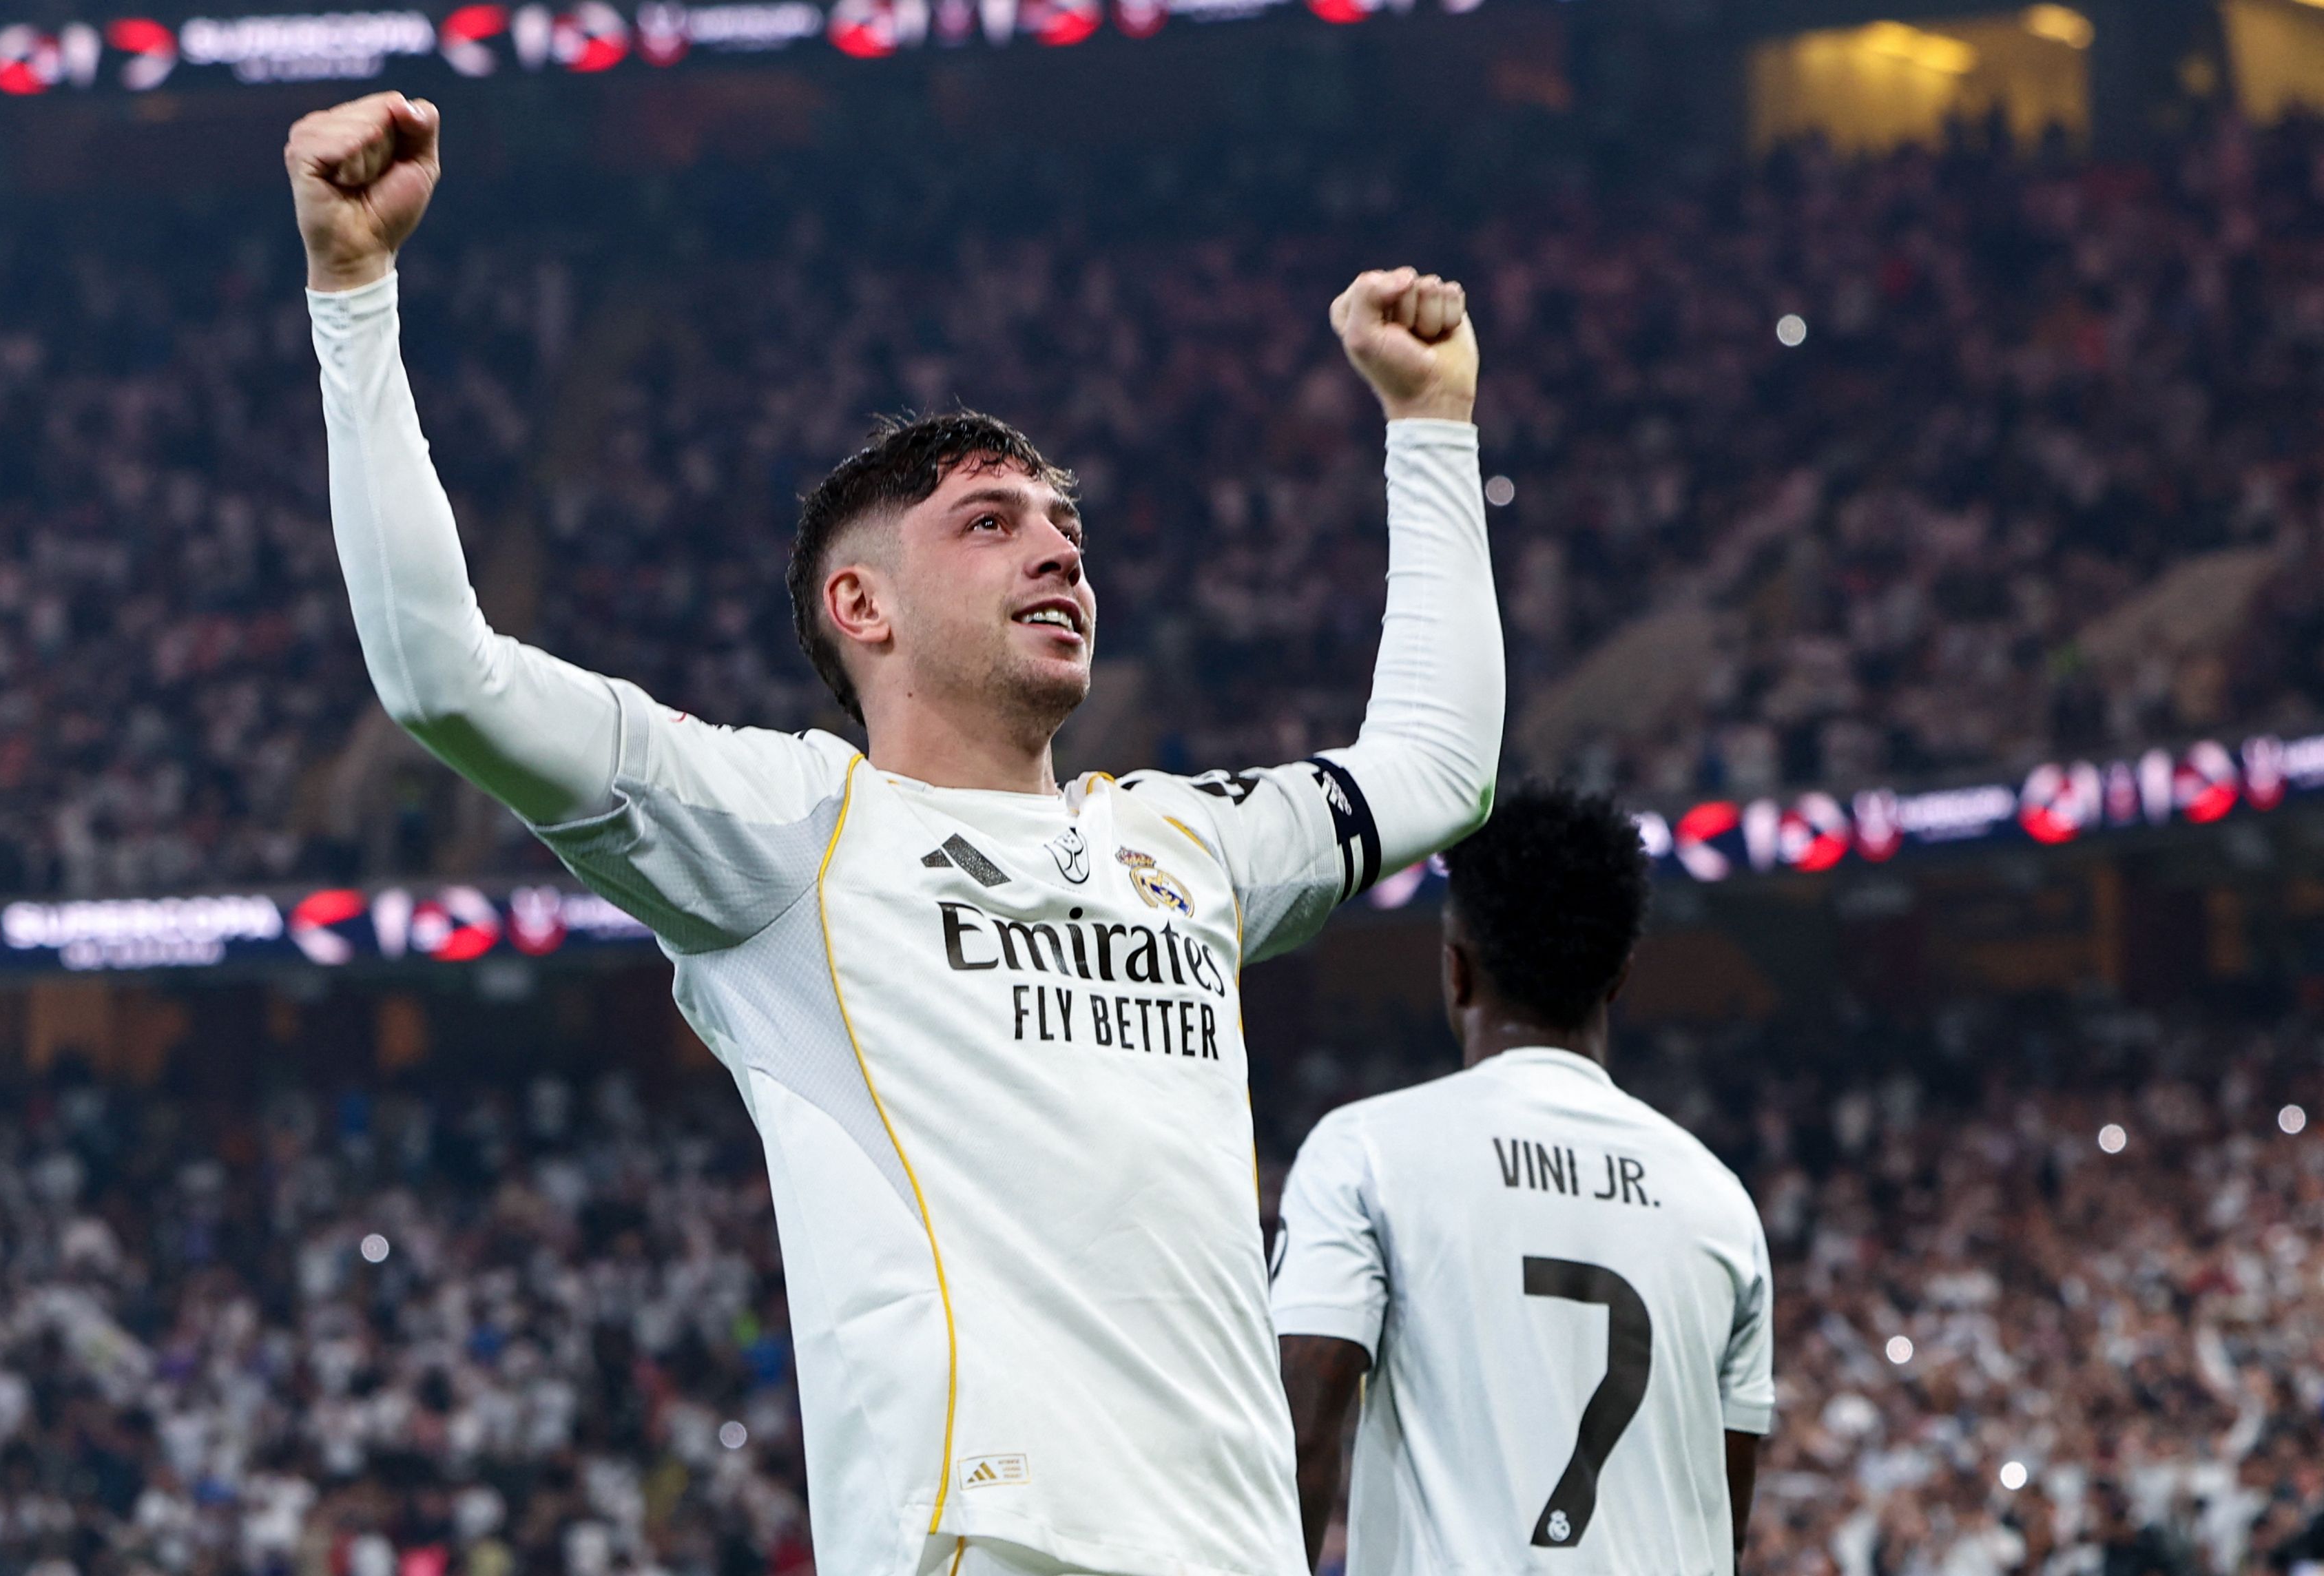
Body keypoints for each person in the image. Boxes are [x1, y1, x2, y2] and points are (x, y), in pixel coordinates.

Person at [285, 92, 1504, 1576]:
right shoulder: (784, 833)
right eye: (990, 521)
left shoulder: (1183, 844)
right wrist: (355, 291)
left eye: (1063, 524)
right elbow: (438, 670)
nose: (1058, 545)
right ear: (859, 608)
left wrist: (1432, 426)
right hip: (987, 1542)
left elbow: (1435, 768)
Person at [1272, 782, 1772, 1575]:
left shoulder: (1367, 1151)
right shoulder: (1721, 1202)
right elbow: (1721, 1513)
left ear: (1455, 970)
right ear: (1617, 977)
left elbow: (1298, 1441)